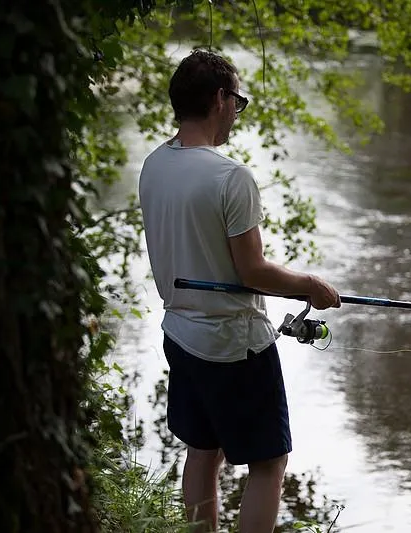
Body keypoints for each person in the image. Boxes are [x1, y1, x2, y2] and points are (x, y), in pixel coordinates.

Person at [138, 49, 341, 533]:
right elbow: (252, 271)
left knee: (203, 452)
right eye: (237, 101)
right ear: (219, 99)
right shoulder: (231, 177)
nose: (237, 112)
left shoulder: (153, 165)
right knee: (269, 464)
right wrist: (309, 285)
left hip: (180, 333)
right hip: (235, 345)